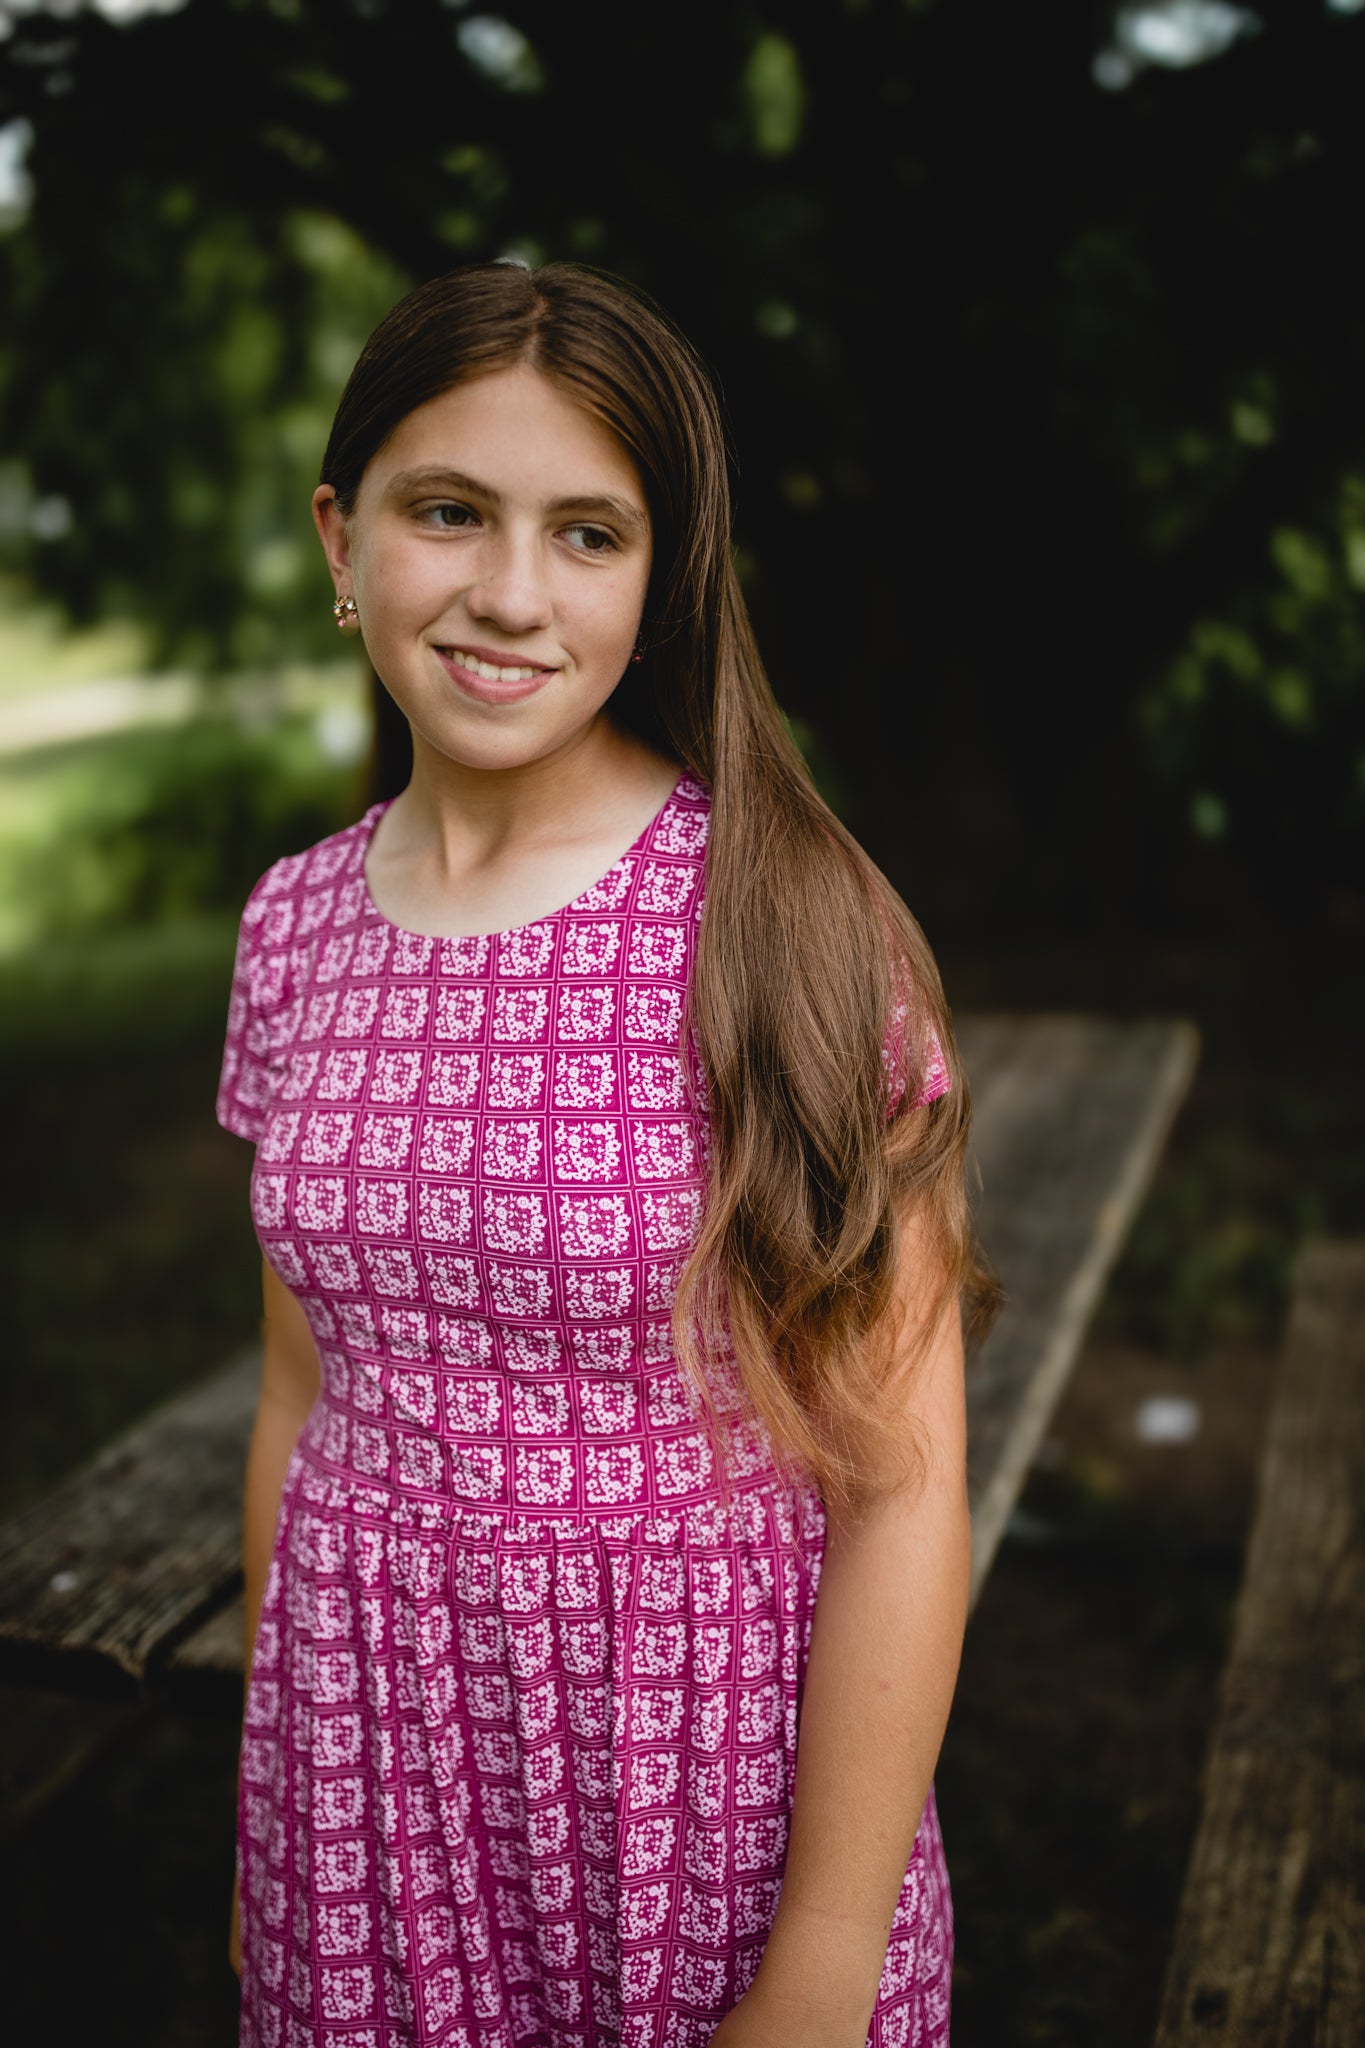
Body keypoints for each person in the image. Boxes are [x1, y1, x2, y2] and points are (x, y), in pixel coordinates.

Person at [218, 260, 993, 2048]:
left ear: (660, 583)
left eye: (587, 533)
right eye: (445, 512)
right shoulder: (292, 926)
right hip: (372, 1782)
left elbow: (899, 1488)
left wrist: (816, 1961)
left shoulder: (788, 919)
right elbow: (295, 1401)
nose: (506, 592)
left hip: (697, 1793)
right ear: (342, 539)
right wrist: (277, 1828)